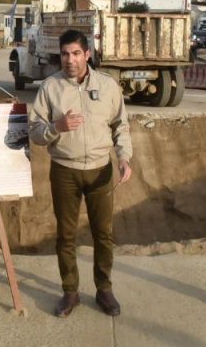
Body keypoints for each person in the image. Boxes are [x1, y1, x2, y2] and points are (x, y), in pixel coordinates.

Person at [29, 29, 133, 318]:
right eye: (64, 54)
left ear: (87, 54)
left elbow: (120, 125)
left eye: (76, 53)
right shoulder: (50, 88)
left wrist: (124, 157)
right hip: (65, 170)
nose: (70, 60)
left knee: (103, 234)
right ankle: (70, 292)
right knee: (66, 235)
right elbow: (35, 131)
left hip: (100, 170)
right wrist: (56, 128)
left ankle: (104, 289)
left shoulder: (108, 86)